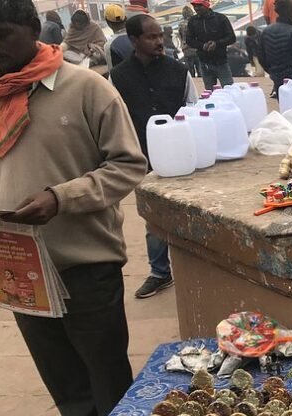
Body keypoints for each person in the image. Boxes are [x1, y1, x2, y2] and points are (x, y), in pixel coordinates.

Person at [0, 0, 147, 416]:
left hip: (84, 265)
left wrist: (61, 197)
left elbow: (128, 164)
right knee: (67, 390)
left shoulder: (85, 87)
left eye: (2, 35)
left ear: (31, 28)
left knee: (109, 385)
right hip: (21, 274)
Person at [110, 14, 196, 299]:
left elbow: (194, 109)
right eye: (151, 37)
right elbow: (114, 118)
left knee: (192, 212)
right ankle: (160, 272)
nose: (159, 41)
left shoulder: (178, 70)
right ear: (134, 41)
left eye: (160, 35)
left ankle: (198, 269)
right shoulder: (119, 77)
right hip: (144, 158)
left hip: (182, 156)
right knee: (154, 217)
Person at [186, 0, 236, 88]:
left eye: (199, 5)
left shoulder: (221, 19)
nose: (196, 8)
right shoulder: (193, 21)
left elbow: (231, 37)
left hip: (221, 61)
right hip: (204, 62)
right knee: (209, 91)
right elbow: (189, 40)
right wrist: (202, 46)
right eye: (194, 6)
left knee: (229, 89)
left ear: (206, 5)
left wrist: (217, 43)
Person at [260, 0, 292, 93]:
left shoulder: (266, 32)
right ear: (291, 13)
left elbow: (261, 57)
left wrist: (272, 71)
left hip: (275, 76)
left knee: (282, 102)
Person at [105, 4, 133, 71]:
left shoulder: (109, 45)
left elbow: (112, 74)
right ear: (125, 19)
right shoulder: (137, 36)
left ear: (108, 23)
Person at [178, 5, 200, 76]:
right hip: (197, 48)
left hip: (186, 49)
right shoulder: (197, 22)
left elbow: (180, 36)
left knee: (190, 71)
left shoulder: (181, 24)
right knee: (200, 70)